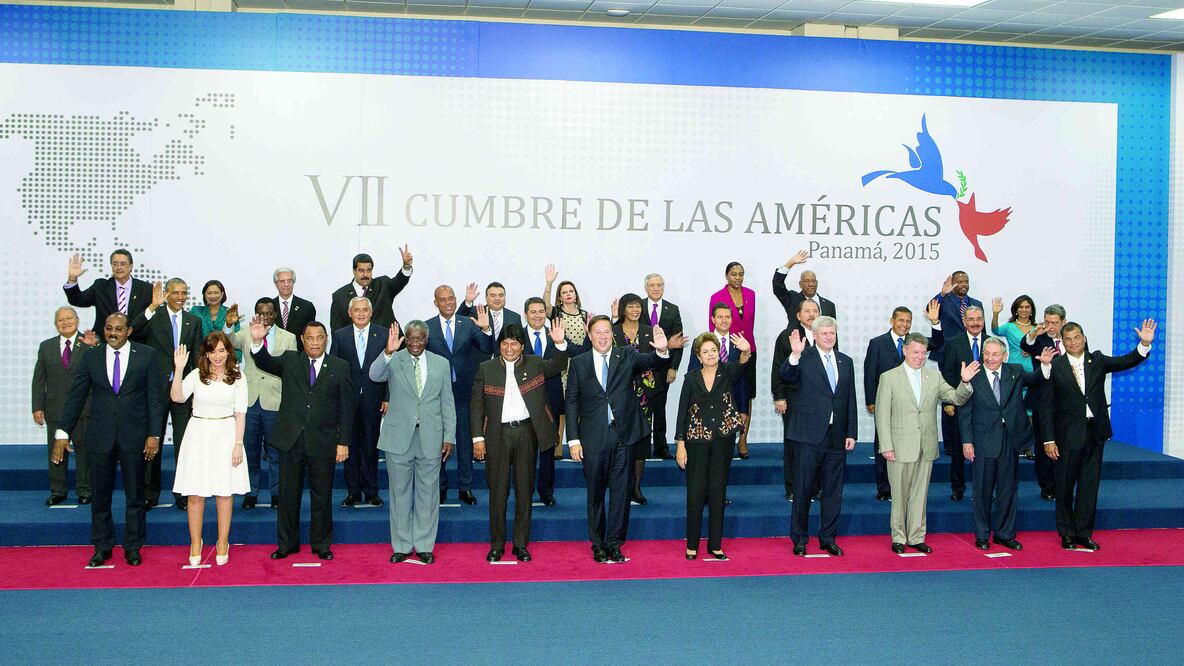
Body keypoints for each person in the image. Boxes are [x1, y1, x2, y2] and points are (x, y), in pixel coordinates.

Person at [52, 313, 165, 567]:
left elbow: (155, 399)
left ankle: (133, 546)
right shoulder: (91, 356)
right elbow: (75, 395)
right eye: (108, 328)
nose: (113, 332)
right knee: (100, 496)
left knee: (135, 496)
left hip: (135, 436)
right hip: (100, 436)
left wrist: (154, 434)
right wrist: (62, 432)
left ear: (129, 331)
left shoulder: (146, 355)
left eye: (118, 328)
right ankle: (102, 546)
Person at [566, 316, 679, 563]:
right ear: (590, 334)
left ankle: (614, 543)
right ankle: (597, 544)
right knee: (595, 493)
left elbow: (651, 361)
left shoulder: (625, 355)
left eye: (607, 332)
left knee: (620, 493)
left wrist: (661, 350)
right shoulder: (578, 363)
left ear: (612, 334)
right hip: (593, 438)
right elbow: (572, 402)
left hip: (623, 435)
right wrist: (573, 440)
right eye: (598, 332)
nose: (603, 337)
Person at [1039, 319, 1155, 551]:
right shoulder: (1055, 366)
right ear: (1063, 342)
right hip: (1066, 437)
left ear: (1084, 338)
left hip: (1095, 433)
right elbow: (1046, 407)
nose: (1073, 343)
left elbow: (1126, 361)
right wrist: (1048, 439)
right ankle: (1067, 534)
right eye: (1068, 339)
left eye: (1077, 337)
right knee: (1064, 487)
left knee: (1089, 486)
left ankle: (1083, 533)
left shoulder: (1098, 360)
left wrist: (1143, 344)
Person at [249, 319, 355, 561]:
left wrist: (343, 442)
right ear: (302, 340)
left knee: (322, 495)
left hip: (324, 442)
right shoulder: (290, 360)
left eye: (320, 337)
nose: (315, 342)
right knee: (287, 496)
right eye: (310, 338)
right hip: (291, 441)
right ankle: (287, 544)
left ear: (326, 339)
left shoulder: (340, 367)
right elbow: (265, 361)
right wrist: (257, 341)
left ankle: (321, 544)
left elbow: (346, 409)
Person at [472, 322, 570, 562]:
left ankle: (520, 544)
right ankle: (496, 545)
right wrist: (478, 438)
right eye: (504, 343)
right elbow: (476, 406)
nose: (509, 348)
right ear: (499, 346)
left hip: (527, 433)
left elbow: (558, 365)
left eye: (514, 343)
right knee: (497, 492)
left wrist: (559, 343)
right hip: (497, 435)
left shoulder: (535, 363)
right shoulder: (486, 368)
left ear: (522, 346)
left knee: (525, 491)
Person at [876, 333, 977, 554]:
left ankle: (916, 536)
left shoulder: (934, 376)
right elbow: (882, 415)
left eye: (923, 353)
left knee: (920, 495)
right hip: (899, 446)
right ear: (904, 350)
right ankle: (899, 537)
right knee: (900, 495)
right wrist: (886, 446)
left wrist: (965, 381)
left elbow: (956, 398)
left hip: (926, 445)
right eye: (915, 352)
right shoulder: (889, 377)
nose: (920, 357)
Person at [369, 321, 454, 565]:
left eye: (420, 339)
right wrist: (387, 351)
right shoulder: (394, 359)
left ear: (426, 339)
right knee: (399, 494)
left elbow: (447, 402)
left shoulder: (441, 363)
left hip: (431, 436)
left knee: (428, 495)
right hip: (398, 437)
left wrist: (449, 436)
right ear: (405, 338)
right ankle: (403, 545)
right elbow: (374, 375)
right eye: (411, 338)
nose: (415, 343)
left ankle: (425, 545)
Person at [960, 338, 1052, 551]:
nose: (990, 359)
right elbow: (964, 412)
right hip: (983, 441)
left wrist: (1046, 364)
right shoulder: (972, 374)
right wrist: (967, 441)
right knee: (982, 491)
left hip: (1010, 439)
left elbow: (1036, 379)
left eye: (995, 354)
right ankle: (982, 534)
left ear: (1004, 356)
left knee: (1008, 490)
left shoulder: (1016, 371)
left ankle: (1005, 534)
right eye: (986, 354)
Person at [780, 317, 857, 557]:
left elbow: (849, 400)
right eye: (824, 333)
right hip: (808, 436)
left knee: (834, 492)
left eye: (832, 333)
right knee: (803, 489)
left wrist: (851, 432)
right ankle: (800, 539)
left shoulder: (846, 362)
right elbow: (786, 376)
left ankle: (827, 538)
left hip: (836, 436)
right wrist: (794, 355)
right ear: (814, 335)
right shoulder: (803, 357)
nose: (829, 337)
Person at [170, 332, 249, 566]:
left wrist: (238, 445)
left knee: (224, 494)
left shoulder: (238, 377)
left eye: (222, 350)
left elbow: (240, 413)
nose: (217, 356)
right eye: (212, 351)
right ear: (205, 353)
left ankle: (222, 541)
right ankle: (196, 542)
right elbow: (177, 397)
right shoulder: (196, 375)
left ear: (229, 352)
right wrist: (179, 369)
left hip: (226, 434)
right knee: (195, 494)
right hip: (198, 435)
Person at [129, 278, 203, 510]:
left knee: (184, 444)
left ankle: (182, 493)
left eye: (184, 292)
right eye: (175, 293)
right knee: (153, 441)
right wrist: (151, 307)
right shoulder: (154, 316)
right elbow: (132, 330)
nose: (180, 297)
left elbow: (198, 357)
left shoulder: (193, 321)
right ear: (166, 294)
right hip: (155, 391)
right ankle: (150, 493)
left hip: (183, 392)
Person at [675, 331, 750, 560]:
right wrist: (680, 444)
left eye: (714, 350)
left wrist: (745, 350)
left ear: (719, 353)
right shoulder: (691, 378)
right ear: (698, 355)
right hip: (696, 441)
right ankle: (692, 544)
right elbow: (682, 412)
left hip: (723, 440)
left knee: (718, 492)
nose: (710, 354)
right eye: (705, 351)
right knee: (695, 493)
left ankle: (716, 544)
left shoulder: (727, 372)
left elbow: (744, 363)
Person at [863, 302, 943, 501]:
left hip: (910, 405)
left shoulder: (916, 342)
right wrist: (871, 400)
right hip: (885, 402)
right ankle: (884, 489)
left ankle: (907, 489)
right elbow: (870, 372)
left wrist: (935, 322)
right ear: (892, 321)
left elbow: (939, 341)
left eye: (908, 321)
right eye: (901, 320)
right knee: (883, 443)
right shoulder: (877, 343)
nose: (905, 324)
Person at [426, 285, 494, 505]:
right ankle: (441, 488)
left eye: (451, 299)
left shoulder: (468, 324)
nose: (447, 303)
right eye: (443, 300)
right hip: (436, 397)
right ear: (436, 302)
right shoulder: (427, 327)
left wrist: (486, 330)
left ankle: (465, 488)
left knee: (465, 443)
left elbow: (486, 347)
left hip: (465, 395)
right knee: (438, 445)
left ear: (456, 300)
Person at [225, 298, 295, 510]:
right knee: (251, 451)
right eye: (260, 312)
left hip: (275, 400)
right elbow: (229, 342)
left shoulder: (288, 337)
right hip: (250, 400)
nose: (265, 316)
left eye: (269, 312)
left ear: (275, 314)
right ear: (255, 313)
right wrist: (229, 325)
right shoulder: (246, 332)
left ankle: (276, 493)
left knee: (276, 452)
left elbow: (290, 370)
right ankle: (251, 492)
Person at [32, 307, 97, 505]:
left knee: (84, 451)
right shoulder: (46, 346)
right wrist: (37, 406)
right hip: (56, 409)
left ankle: (85, 490)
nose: (65, 322)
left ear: (77, 320)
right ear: (55, 324)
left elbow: (101, 369)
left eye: (69, 318)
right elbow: (39, 379)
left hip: (83, 409)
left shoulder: (89, 343)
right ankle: (58, 491)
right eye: (60, 320)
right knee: (56, 451)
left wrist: (93, 346)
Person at [330, 297, 389, 508]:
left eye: (365, 310)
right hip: (347, 401)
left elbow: (391, 369)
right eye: (357, 310)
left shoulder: (383, 334)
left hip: (374, 399)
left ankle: (372, 491)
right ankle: (353, 491)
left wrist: (387, 397)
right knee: (350, 446)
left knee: (371, 447)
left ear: (371, 312)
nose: (361, 313)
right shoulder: (339, 336)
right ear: (350, 313)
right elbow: (333, 369)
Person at [770, 299, 821, 499]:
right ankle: (792, 489)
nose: (811, 314)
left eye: (815, 311)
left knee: (818, 444)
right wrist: (779, 396)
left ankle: (815, 488)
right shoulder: (787, 336)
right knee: (793, 445)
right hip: (793, 398)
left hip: (819, 401)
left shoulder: (825, 336)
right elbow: (777, 369)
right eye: (807, 311)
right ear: (798, 316)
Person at [938, 305, 989, 502]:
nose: (975, 322)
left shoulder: (992, 343)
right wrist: (948, 402)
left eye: (979, 319)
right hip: (961, 402)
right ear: (964, 322)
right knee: (959, 449)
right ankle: (958, 488)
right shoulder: (954, 343)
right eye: (971, 319)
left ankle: (984, 489)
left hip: (987, 406)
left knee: (985, 451)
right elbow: (949, 373)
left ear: (983, 321)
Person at [613, 292, 660, 506]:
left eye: (637, 306)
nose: (635, 310)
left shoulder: (649, 331)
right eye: (630, 307)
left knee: (641, 442)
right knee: (621, 441)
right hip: (620, 393)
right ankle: (622, 487)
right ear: (623, 309)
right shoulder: (613, 332)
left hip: (644, 394)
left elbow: (656, 360)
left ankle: (637, 488)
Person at [1021, 303, 1070, 500]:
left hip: (1067, 402)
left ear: (1063, 322)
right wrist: (1034, 333)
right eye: (1047, 322)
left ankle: (1063, 484)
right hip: (1042, 400)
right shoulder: (1038, 339)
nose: (1050, 326)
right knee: (1044, 445)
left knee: (1065, 445)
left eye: (1055, 323)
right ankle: (1046, 485)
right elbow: (1026, 345)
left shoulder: (1072, 339)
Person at [707, 262, 757, 457]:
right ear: (726, 276)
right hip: (725, 350)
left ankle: (742, 439)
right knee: (722, 391)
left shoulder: (751, 294)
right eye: (734, 274)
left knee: (746, 393)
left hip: (747, 349)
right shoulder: (717, 297)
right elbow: (713, 327)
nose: (738, 277)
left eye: (741, 274)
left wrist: (746, 348)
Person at [522, 297, 566, 506]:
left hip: (551, 401)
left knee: (548, 450)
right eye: (533, 311)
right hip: (523, 403)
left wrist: (560, 343)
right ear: (526, 314)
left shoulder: (556, 334)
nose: (538, 315)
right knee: (525, 452)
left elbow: (564, 361)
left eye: (541, 311)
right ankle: (525, 492)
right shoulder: (517, 336)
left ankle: (546, 492)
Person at [543, 264, 589, 460]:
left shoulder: (586, 315)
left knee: (581, 405)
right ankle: (557, 449)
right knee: (562, 407)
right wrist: (549, 283)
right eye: (564, 292)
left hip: (583, 364)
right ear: (559, 297)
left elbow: (591, 340)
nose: (568, 294)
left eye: (571, 291)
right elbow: (545, 306)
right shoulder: (556, 314)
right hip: (564, 364)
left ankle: (579, 446)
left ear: (576, 295)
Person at [643, 273, 684, 460]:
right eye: (652, 285)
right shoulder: (637, 307)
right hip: (641, 368)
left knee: (659, 410)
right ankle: (641, 448)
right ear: (646, 287)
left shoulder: (672, 310)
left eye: (659, 285)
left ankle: (661, 448)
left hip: (663, 369)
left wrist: (673, 367)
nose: (656, 288)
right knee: (641, 410)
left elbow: (679, 341)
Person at [63, 250, 152, 331]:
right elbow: (77, 300)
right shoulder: (101, 286)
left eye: (123, 264)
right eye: (115, 264)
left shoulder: (145, 289)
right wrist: (72, 278)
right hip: (105, 342)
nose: (118, 267)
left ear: (131, 266)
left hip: (137, 342)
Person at [329, 247, 414, 332]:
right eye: (361, 270)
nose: (365, 274)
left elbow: (399, 282)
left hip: (388, 341)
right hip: (356, 344)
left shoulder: (383, 285)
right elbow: (337, 330)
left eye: (369, 270)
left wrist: (406, 266)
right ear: (354, 271)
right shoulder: (339, 296)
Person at [929, 271, 982, 364]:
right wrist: (942, 294)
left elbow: (981, 329)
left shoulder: (977, 303)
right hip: (947, 353)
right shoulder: (944, 301)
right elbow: (930, 309)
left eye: (966, 281)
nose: (964, 284)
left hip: (972, 353)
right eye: (960, 282)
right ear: (952, 284)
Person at [772, 249, 837, 322]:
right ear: (800, 284)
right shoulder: (791, 299)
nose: (810, 284)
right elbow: (777, 285)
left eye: (813, 281)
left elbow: (832, 331)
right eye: (806, 281)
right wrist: (790, 263)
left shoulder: (829, 305)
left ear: (817, 283)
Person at [271, 266, 316, 352]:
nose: (286, 284)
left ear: (293, 282)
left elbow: (310, 334)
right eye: (282, 281)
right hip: (273, 357)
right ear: (276, 284)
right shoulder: (270, 307)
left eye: (289, 281)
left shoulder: (306, 307)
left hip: (299, 356)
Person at [991, 295, 1038, 372]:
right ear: (1016, 309)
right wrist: (995, 314)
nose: (1024, 309)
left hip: (1033, 368)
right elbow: (995, 330)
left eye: (1027, 307)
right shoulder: (1009, 327)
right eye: (1020, 307)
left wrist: (1032, 351)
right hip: (1013, 367)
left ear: (1032, 310)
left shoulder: (1037, 328)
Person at [191, 279, 240, 345]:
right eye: (209, 293)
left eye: (216, 293)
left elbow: (235, 340)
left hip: (225, 352)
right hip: (201, 352)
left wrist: (229, 325)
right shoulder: (196, 311)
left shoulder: (230, 313)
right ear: (204, 294)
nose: (213, 296)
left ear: (222, 294)